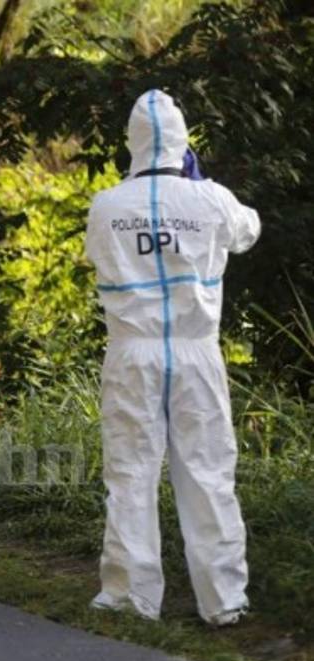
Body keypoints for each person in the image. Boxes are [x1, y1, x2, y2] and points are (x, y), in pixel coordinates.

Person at [85, 90, 260, 626]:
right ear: (184, 141)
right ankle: (223, 600)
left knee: (130, 471)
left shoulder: (107, 206)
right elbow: (249, 231)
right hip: (195, 351)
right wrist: (199, 190)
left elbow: (97, 254)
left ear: (132, 142)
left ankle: (129, 596)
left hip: (132, 351)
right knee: (208, 472)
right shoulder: (212, 199)